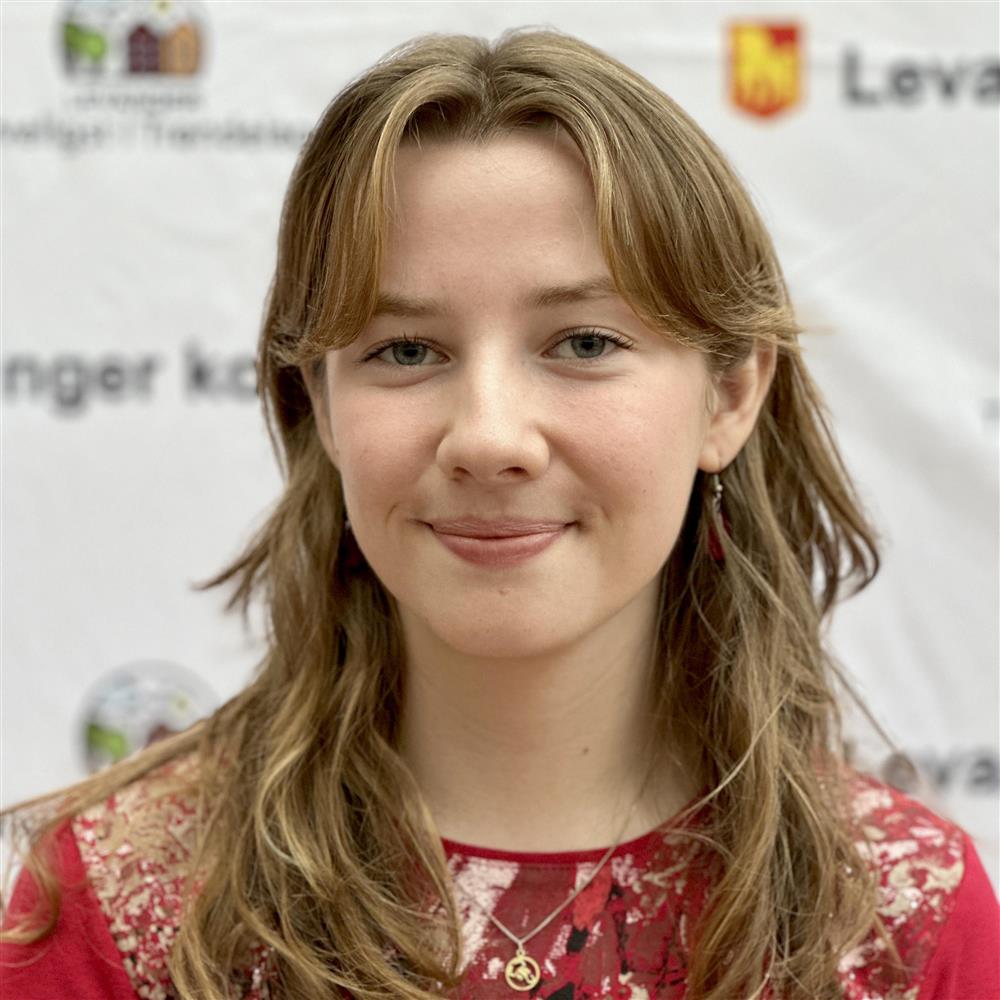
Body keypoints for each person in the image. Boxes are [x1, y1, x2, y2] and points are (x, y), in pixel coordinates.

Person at [2, 27, 997, 1000]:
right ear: (321, 404)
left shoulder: (900, 921)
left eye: (583, 342)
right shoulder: (123, 904)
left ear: (730, 395)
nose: (487, 436)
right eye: (405, 350)